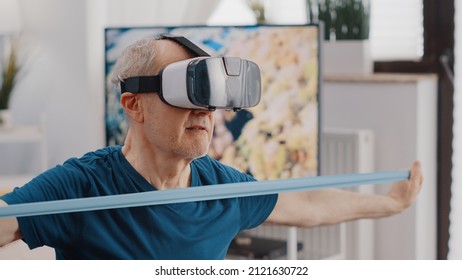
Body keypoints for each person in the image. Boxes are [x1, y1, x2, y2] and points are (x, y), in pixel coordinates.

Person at [0, 36, 423, 260]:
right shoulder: (83, 186)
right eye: (188, 91)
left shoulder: (222, 188)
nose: (206, 110)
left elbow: (307, 204)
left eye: (212, 96)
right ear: (134, 105)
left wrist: (390, 205)